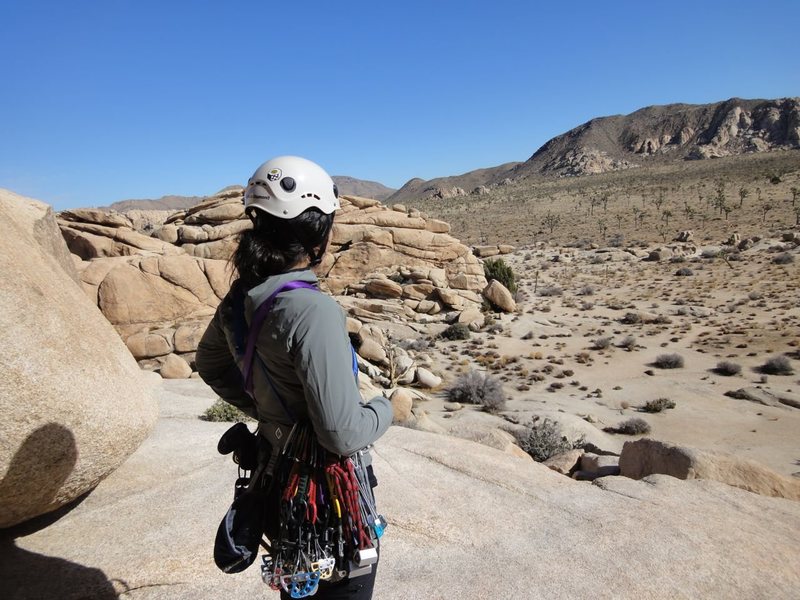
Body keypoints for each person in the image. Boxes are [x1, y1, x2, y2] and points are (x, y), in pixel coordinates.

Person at [196, 155, 393, 599]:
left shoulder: (240, 296)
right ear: (317, 234)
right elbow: (342, 434)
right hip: (324, 499)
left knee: (297, 586)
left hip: (276, 478)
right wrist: (385, 409)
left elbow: (210, 363)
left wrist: (269, 415)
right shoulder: (312, 310)